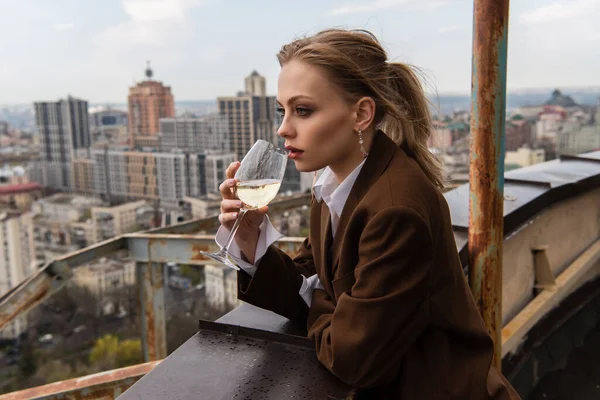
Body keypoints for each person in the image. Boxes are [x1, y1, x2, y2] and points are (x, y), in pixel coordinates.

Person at [215, 29, 520, 399]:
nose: (283, 128)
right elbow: (306, 285)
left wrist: (324, 299)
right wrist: (252, 244)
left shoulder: (395, 210)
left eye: (303, 110)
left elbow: (353, 359)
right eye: (283, 110)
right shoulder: (334, 184)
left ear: (361, 113)